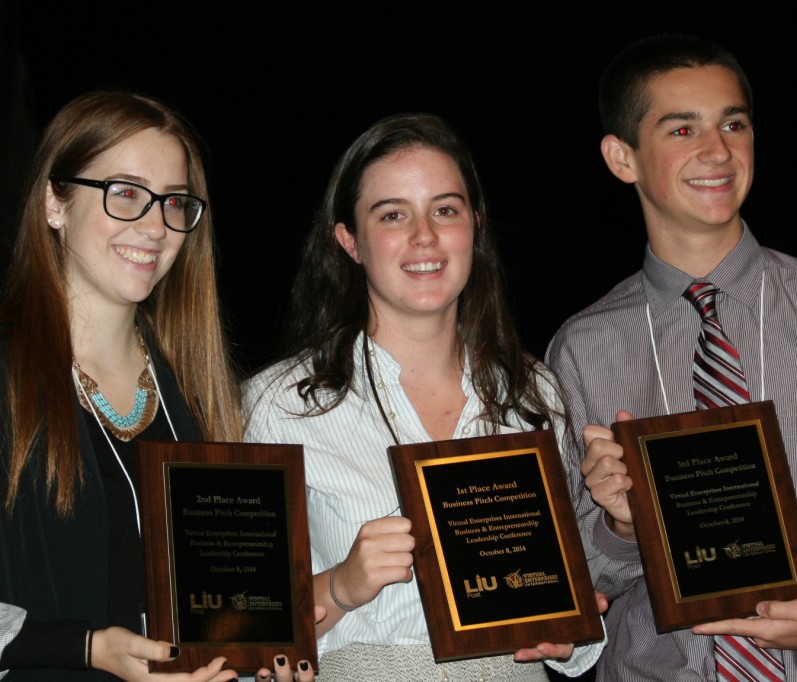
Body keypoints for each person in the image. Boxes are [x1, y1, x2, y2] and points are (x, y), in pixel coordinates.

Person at [0, 91, 314, 682]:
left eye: (174, 202)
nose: (155, 225)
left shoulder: (194, 391)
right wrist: (84, 647)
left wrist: (253, 662)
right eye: (126, 193)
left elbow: (222, 614)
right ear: (54, 203)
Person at [545, 33, 797, 680]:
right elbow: (574, 578)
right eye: (682, 130)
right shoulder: (583, 347)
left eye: (733, 124)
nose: (717, 151)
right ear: (621, 157)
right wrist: (621, 526)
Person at [243, 112, 605, 681]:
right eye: (393, 215)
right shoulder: (278, 405)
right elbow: (235, 632)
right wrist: (342, 585)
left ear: (475, 226)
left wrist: (564, 628)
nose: (424, 237)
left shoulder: (533, 391)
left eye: (445, 210)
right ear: (349, 241)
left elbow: (569, 601)